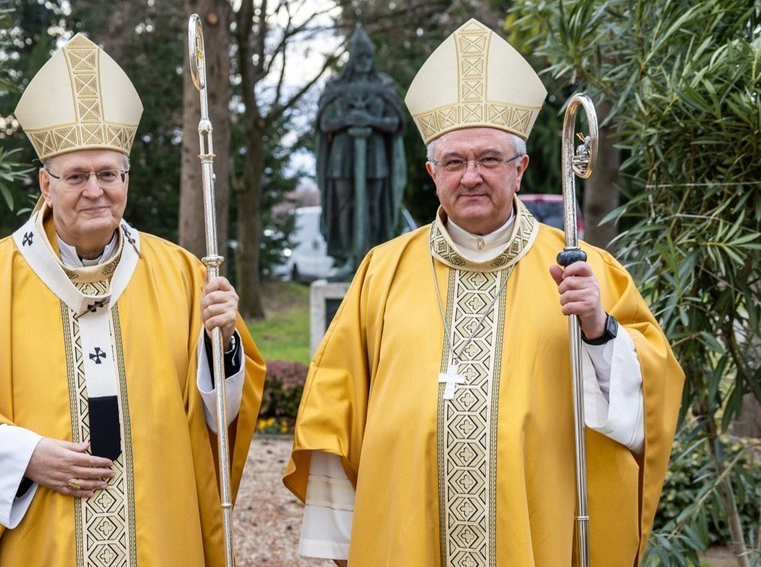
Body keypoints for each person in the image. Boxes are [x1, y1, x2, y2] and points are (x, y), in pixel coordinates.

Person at [283, 19, 684, 566]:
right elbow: (335, 407)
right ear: (431, 173)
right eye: (454, 161)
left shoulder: (585, 269)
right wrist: (339, 538)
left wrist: (598, 328)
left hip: (538, 524)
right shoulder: (382, 271)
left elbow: (652, 396)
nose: (471, 176)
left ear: (519, 169)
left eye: (489, 159)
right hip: (407, 531)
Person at [0, 34, 266, 566]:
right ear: (45, 183)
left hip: (159, 528)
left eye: (109, 174)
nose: (96, 190)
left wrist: (221, 347)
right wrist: (25, 458)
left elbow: (219, 418)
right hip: (41, 535)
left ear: (126, 179)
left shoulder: (182, 274)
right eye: (77, 176)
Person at [315, 24, 406, 273]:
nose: (365, 61)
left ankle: (376, 257)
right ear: (352, 58)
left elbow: (395, 122)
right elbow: (324, 122)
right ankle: (347, 257)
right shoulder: (336, 87)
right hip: (341, 158)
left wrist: (370, 121)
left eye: (368, 56)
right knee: (345, 206)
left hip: (375, 157)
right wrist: (349, 120)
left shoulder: (383, 85)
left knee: (375, 204)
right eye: (360, 56)